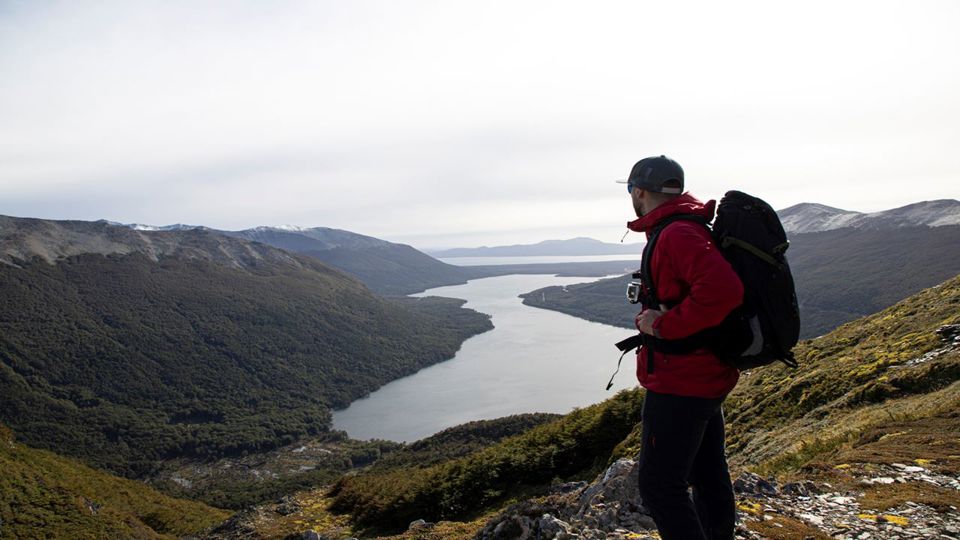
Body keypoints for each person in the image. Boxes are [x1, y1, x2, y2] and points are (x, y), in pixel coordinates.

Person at [619, 155, 744, 540]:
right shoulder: (686, 225)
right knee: (706, 473)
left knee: (660, 487)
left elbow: (724, 291)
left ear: (639, 191)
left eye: (630, 191)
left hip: (682, 380)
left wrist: (663, 325)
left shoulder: (676, 233)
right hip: (703, 374)